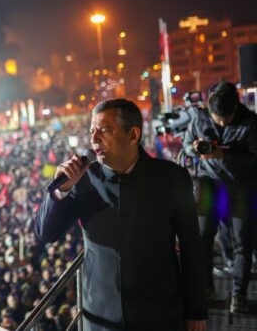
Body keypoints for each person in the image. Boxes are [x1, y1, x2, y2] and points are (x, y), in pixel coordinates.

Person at [36, 99, 207, 331]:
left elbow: (191, 247)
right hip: (100, 317)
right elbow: (46, 234)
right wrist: (61, 190)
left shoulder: (172, 178)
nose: (94, 139)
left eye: (105, 130)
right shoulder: (82, 179)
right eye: (92, 131)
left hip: (159, 314)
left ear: (133, 135)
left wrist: (196, 311)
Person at [182, 81, 257, 314]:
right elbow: (185, 145)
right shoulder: (200, 118)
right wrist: (194, 149)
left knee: (242, 244)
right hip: (209, 184)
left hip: (241, 187)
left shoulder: (251, 122)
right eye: (217, 120)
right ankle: (206, 289)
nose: (222, 123)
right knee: (202, 238)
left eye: (226, 119)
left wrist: (223, 155)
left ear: (236, 107)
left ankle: (239, 294)